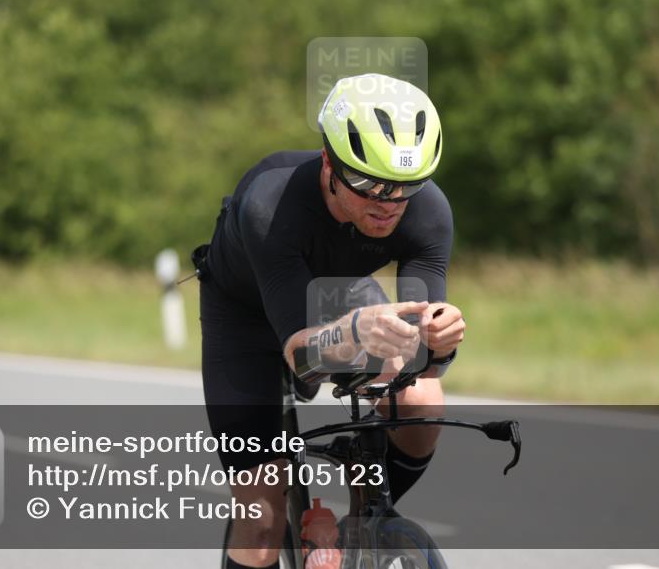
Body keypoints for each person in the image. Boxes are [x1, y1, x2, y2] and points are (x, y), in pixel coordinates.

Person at [199, 74, 465, 569]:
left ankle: (367, 521)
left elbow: (425, 362)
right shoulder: (269, 204)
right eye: (369, 185)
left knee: (421, 397)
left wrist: (439, 340)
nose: (388, 204)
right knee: (261, 519)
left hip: (338, 296)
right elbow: (302, 360)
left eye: (405, 187)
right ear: (329, 164)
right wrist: (353, 335)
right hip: (246, 316)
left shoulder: (428, 212)